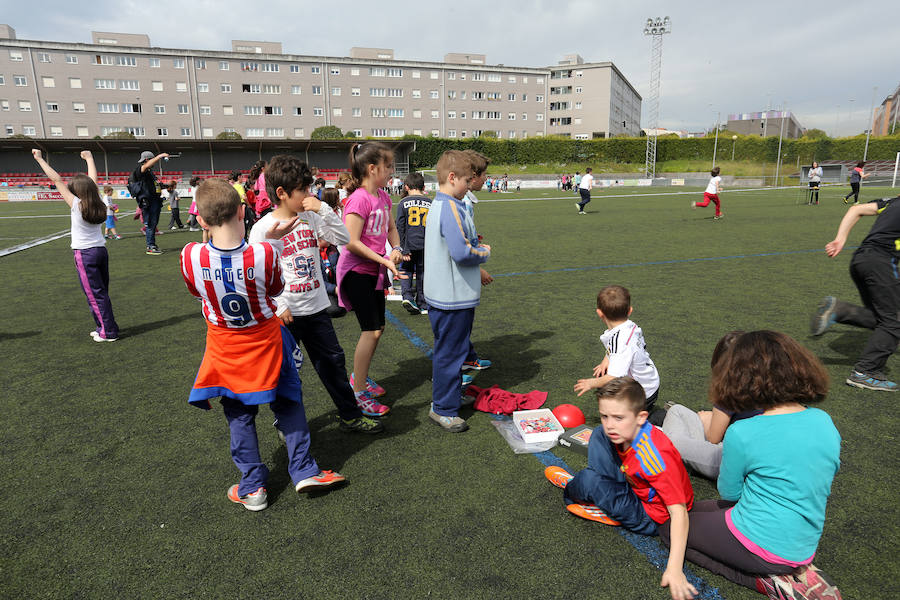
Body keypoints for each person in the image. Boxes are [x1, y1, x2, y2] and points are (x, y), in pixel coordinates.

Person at [181, 178, 346, 511]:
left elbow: (197, 291)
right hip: (267, 342)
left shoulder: (190, 255)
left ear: (201, 219)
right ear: (243, 211)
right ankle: (303, 469)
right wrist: (269, 243)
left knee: (239, 414)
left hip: (225, 348)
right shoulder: (264, 253)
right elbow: (273, 288)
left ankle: (253, 485)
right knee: (289, 401)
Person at [663, 331, 842, 600]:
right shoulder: (824, 420)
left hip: (760, 541)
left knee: (670, 528)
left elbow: (730, 494)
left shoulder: (744, 432)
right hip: (803, 544)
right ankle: (797, 571)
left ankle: (767, 582)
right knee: (691, 513)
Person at [249, 155, 383, 432]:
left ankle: (349, 414)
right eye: (303, 190)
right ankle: (285, 422)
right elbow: (260, 275)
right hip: (287, 315)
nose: (309, 195)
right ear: (282, 193)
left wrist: (323, 209)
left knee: (333, 364)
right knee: (286, 372)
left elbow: (344, 239)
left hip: (317, 308)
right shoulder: (262, 229)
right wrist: (280, 305)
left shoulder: (310, 215)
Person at [545, 378, 696, 600]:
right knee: (598, 434)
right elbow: (609, 432)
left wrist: (674, 568)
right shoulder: (626, 431)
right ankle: (599, 493)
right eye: (605, 416)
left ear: (641, 417)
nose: (610, 424)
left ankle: (584, 491)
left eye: (618, 418)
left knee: (588, 480)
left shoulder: (654, 457)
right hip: (637, 487)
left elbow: (679, 513)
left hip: (651, 515)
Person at [423, 150, 492, 433]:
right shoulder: (449, 207)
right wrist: (484, 253)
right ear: (452, 178)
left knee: (452, 351)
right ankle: (442, 408)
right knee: (450, 354)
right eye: (467, 180)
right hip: (451, 297)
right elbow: (462, 253)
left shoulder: (446, 204)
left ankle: (449, 398)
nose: (470, 184)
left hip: (448, 293)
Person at [336, 142, 404, 415]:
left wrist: (396, 248)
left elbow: (390, 229)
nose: (391, 171)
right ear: (372, 168)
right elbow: (350, 242)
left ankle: (359, 378)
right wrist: (385, 259)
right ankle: (358, 392)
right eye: (388, 166)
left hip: (374, 272)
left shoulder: (384, 198)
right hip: (356, 273)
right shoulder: (358, 199)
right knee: (371, 331)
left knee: (377, 330)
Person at [811, 194, 900, 391]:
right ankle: (865, 371)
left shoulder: (893, 201)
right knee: (893, 321)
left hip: (860, 259)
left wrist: (839, 240)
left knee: (882, 318)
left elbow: (855, 209)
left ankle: (839, 310)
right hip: (881, 263)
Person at [32, 149, 120, 342]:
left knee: (95, 295)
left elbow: (56, 180)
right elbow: (92, 180)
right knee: (101, 293)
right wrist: (89, 158)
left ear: (77, 192)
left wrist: (39, 159)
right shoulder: (96, 202)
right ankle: (104, 326)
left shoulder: (77, 205)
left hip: (85, 255)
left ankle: (108, 332)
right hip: (100, 251)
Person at [661, 332, 763, 479]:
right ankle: (690, 458)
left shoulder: (729, 389)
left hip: (730, 461)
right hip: (756, 454)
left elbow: (713, 438)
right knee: (677, 410)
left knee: (670, 441)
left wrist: (708, 419)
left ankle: (685, 459)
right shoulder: (765, 384)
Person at [574, 285, 661, 420]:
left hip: (642, 391)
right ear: (630, 311)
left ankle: (661, 418)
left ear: (599, 313)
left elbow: (614, 376)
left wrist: (591, 383)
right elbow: (615, 348)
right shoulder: (629, 326)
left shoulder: (620, 341)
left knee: (628, 422)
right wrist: (606, 360)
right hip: (650, 379)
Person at [396, 172, 431, 315]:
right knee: (423, 273)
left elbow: (400, 226)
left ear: (406, 187)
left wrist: (402, 247)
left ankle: (407, 297)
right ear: (423, 187)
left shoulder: (403, 203)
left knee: (406, 270)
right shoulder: (430, 202)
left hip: (408, 244)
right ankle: (422, 302)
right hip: (426, 244)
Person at [131, 150, 168, 254]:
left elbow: (155, 185)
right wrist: (160, 156)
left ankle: (152, 245)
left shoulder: (150, 173)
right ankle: (150, 246)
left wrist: (165, 186)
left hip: (155, 201)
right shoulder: (140, 170)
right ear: (147, 160)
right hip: (148, 202)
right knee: (151, 224)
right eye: (152, 159)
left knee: (153, 223)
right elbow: (144, 167)